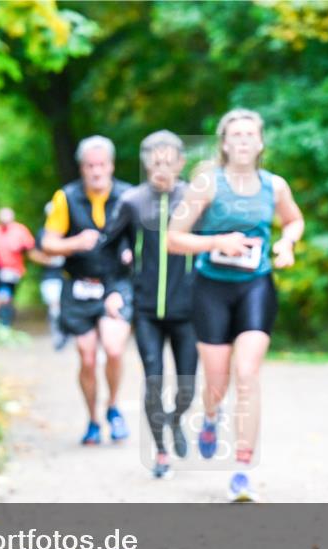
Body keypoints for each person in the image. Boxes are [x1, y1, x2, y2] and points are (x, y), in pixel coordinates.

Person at [167, 109, 305, 501]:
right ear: (224, 144)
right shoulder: (206, 183)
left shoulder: (275, 186)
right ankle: (211, 416)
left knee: (247, 375)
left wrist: (286, 243)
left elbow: (293, 221)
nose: (243, 140)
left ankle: (242, 470)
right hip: (211, 289)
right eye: (236, 135)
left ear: (260, 142)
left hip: (255, 287)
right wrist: (216, 242)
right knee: (216, 383)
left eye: (249, 134)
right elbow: (173, 238)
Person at [104, 130, 197, 479]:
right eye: (155, 162)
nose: (161, 169)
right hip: (146, 310)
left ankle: (175, 420)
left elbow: (211, 244)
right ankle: (160, 451)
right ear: (146, 164)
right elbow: (108, 248)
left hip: (187, 310)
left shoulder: (194, 199)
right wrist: (115, 286)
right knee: (154, 380)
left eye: (168, 162)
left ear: (180, 163)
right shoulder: (132, 201)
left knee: (187, 388)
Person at [41, 136, 134, 445]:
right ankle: (93, 419)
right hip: (79, 284)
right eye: (90, 166)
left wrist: (132, 253)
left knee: (115, 348)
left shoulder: (128, 196)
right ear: (82, 168)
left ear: (111, 166)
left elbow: (145, 239)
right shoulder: (66, 198)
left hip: (116, 284)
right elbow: (48, 244)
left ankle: (113, 407)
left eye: (101, 165)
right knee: (87, 356)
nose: (96, 171)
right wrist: (75, 243)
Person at [29, 203, 69, 350]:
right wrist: (48, 260)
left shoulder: (70, 230)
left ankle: (65, 332)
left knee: (65, 307)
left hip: (68, 276)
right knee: (54, 307)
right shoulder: (42, 233)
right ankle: (58, 334)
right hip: (50, 276)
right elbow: (33, 253)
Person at [0, 207, 35, 327]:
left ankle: (5, 322)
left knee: (5, 295)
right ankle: (2, 319)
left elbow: (30, 248)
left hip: (13, 270)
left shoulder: (20, 230)